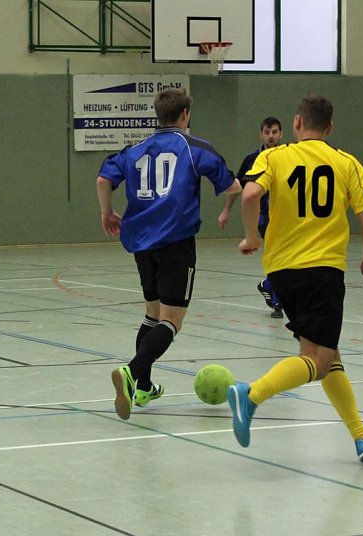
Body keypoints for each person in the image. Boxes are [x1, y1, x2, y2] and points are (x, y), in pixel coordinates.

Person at [228, 94, 363, 463]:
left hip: (279, 270)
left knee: (329, 355)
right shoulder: (346, 163)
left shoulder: (273, 156)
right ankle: (251, 394)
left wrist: (251, 237)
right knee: (317, 360)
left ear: (295, 124)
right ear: (330, 127)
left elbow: (250, 194)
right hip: (322, 270)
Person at [97, 87, 242, 420]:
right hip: (176, 242)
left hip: (141, 243)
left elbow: (104, 179)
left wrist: (107, 213)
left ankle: (143, 386)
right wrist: (231, 203)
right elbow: (232, 186)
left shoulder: (134, 150)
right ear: (186, 114)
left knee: (151, 313)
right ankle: (133, 370)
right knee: (171, 320)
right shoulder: (194, 148)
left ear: (157, 115)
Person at [218, 117, 284, 318]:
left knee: (284, 257)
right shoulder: (252, 160)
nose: (271, 136)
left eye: (274, 132)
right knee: (278, 255)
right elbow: (237, 187)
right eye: (267, 132)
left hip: (285, 216)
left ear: (281, 134)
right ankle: (277, 303)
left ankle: (268, 285)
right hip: (263, 216)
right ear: (261, 134)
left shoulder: (289, 156)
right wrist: (226, 210)